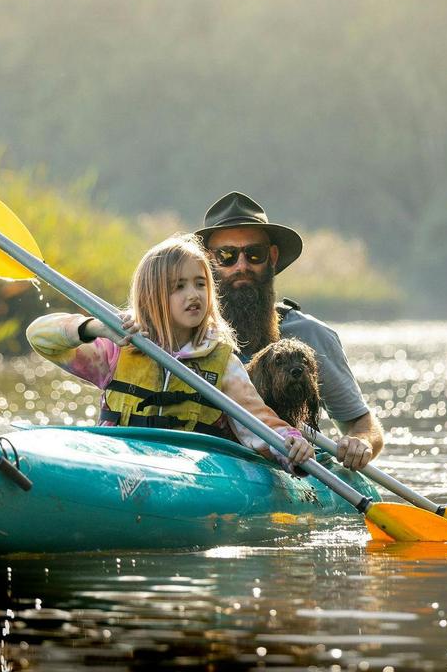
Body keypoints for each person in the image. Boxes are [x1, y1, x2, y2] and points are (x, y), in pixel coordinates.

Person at [26, 233, 315, 470]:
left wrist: (291, 443)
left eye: (200, 284)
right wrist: (96, 328)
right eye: (179, 287)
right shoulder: (117, 350)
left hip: (190, 475)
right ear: (151, 296)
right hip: (118, 463)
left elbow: (259, 424)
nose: (193, 294)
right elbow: (40, 336)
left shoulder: (223, 362)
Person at [196, 191, 384, 471]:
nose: (242, 266)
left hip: (285, 470)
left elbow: (361, 423)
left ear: (272, 257)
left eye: (254, 254)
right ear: (208, 262)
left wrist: (361, 442)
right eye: (227, 255)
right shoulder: (184, 333)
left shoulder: (310, 335)